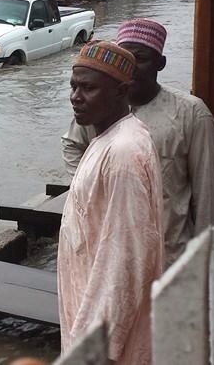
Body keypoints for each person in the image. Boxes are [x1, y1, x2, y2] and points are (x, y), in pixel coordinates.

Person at [62, 19, 214, 267]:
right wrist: (87, 186)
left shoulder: (191, 113)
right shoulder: (99, 106)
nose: (131, 67)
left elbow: (206, 193)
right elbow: (72, 144)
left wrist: (203, 262)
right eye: (125, 59)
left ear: (160, 63)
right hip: (107, 251)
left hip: (168, 254)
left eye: (141, 59)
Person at [59, 40, 164, 364]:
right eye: (74, 86)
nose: (76, 97)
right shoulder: (108, 138)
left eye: (88, 88)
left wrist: (96, 349)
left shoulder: (123, 154)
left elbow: (126, 262)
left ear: (121, 91)